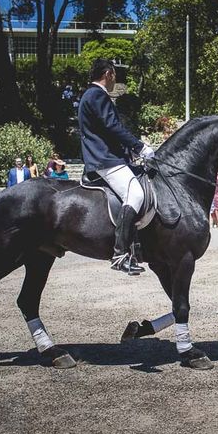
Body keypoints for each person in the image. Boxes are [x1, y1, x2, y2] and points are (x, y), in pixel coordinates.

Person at [78, 58, 154, 275]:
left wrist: (128, 151)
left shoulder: (91, 95)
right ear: (108, 73)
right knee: (136, 195)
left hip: (105, 157)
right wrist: (140, 147)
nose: (115, 79)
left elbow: (105, 130)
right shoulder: (98, 95)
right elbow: (112, 127)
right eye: (114, 74)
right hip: (105, 160)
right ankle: (120, 253)